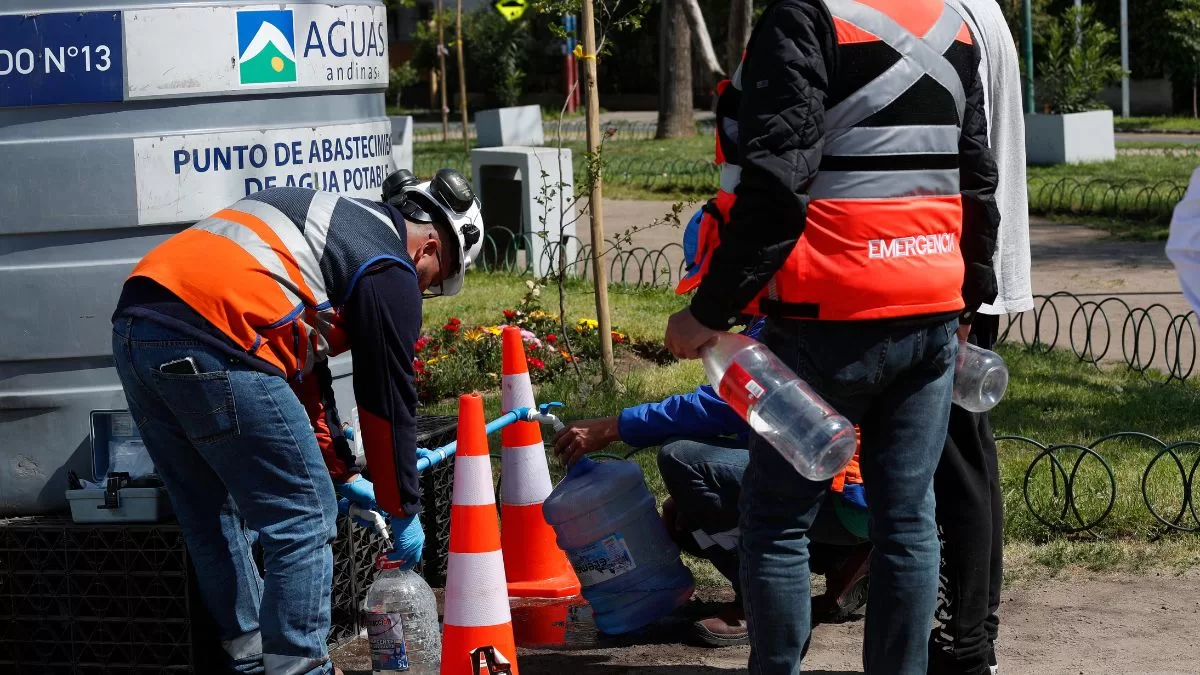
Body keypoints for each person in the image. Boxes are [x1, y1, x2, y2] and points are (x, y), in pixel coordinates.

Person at [663, 0, 1001, 671]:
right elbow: (977, 177)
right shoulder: (951, 25)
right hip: (930, 311)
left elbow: (775, 187)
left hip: (828, 315)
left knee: (778, 519)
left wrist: (710, 310)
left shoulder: (804, 19)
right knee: (907, 519)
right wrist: (970, 291)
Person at [110, 168, 484, 675]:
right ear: (430, 249)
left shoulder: (332, 229)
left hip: (138, 327)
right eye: (432, 283)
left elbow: (304, 374)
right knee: (305, 516)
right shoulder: (390, 267)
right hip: (218, 334)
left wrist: (343, 470)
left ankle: (248, 662)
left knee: (209, 512)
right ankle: (299, 669)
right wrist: (402, 507)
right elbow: (388, 398)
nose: (420, 294)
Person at [553, 216, 871, 647]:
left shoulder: (787, 318)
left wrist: (615, 427)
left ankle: (760, 602)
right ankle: (845, 561)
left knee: (682, 460)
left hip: (845, 493)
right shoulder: (812, 293)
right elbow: (769, 422)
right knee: (690, 512)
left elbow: (725, 406)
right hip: (865, 492)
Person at [931, 1, 1032, 674]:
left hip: (959, 275)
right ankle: (973, 634)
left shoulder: (948, 12)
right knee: (971, 458)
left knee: (958, 463)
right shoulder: (977, 8)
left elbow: (969, 161)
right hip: (974, 271)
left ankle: (966, 641)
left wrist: (967, 286)